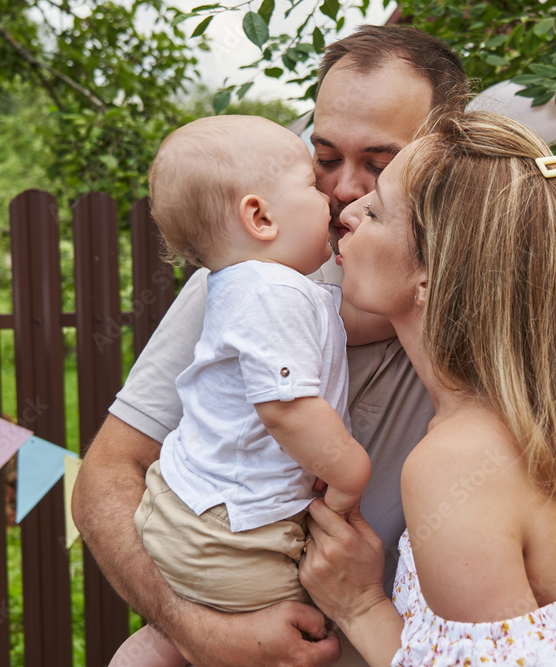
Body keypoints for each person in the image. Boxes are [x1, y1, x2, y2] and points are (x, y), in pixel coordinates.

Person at [72, 24, 556, 667]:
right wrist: (193, 629)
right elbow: (106, 477)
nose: (343, 192)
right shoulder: (249, 279)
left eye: (379, 165)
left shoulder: (494, 314)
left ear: (441, 156)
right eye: (325, 157)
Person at [300, 110, 556, 666]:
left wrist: (360, 605)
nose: (348, 213)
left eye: (377, 211)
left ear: (432, 275)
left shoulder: (456, 462)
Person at [107, 115, 385, 666]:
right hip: (236, 531)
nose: (332, 199)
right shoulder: (271, 291)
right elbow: (286, 409)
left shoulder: (255, 285)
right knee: (284, 633)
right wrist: (350, 472)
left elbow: (351, 323)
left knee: (169, 639)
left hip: (186, 505)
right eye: (313, 182)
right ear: (260, 217)